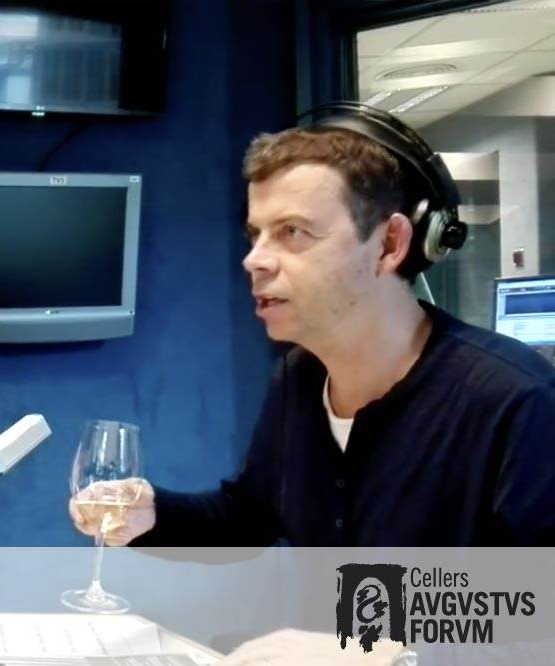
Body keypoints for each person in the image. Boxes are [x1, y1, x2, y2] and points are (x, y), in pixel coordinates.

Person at [69, 105, 555, 663]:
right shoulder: (301, 376)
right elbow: (248, 518)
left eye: (292, 232)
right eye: (255, 235)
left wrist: (391, 653)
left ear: (390, 244)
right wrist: (153, 515)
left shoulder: (518, 401)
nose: (254, 260)